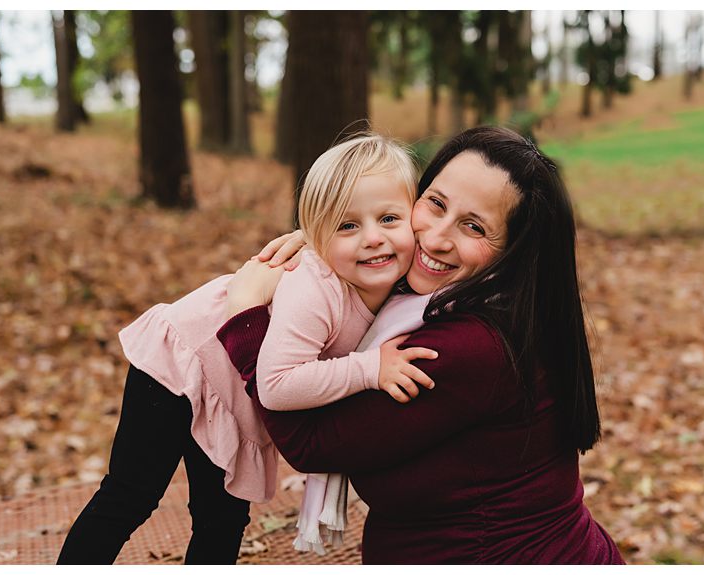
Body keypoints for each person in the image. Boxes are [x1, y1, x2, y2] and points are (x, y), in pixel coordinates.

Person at [217, 126, 625, 564]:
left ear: (514, 250)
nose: (434, 238)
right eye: (435, 203)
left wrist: (245, 317)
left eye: (474, 227)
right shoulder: (452, 304)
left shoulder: (470, 348)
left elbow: (310, 441)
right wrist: (324, 242)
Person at [57, 133, 435, 564]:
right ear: (318, 236)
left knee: (222, 517)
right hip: (180, 365)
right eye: (348, 225)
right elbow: (277, 384)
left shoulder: (401, 284)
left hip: (231, 393)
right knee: (130, 495)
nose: (372, 238)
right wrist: (369, 370)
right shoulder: (316, 287)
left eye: (389, 218)